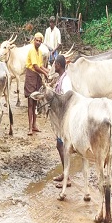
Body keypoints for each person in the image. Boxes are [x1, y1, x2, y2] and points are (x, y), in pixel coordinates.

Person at [52, 54, 72, 188]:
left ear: (59, 65)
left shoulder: (65, 81)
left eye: (54, 64)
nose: (53, 66)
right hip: (61, 118)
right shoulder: (61, 78)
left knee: (62, 147)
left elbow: (67, 98)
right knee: (60, 146)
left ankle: (67, 177)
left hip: (65, 119)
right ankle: (65, 174)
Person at [24, 32, 49, 135]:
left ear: (41, 42)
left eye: (40, 41)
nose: (38, 42)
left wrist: (48, 72)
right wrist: (45, 73)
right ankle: (30, 127)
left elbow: (41, 66)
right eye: (37, 40)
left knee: (35, 103)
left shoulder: (39, 52)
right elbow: (35, 67)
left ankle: (34, 125)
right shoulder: (32, 51)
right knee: (30, 103)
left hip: (37, 77)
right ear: (33, 40)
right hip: (31, 76)